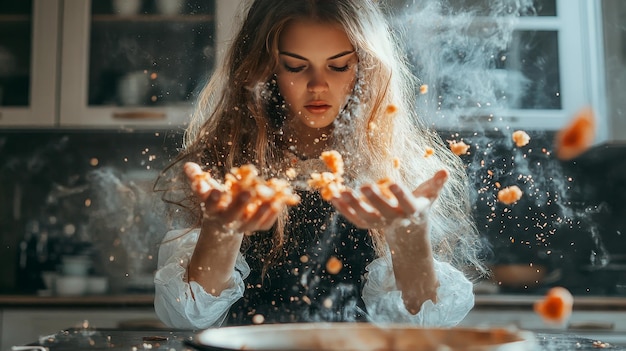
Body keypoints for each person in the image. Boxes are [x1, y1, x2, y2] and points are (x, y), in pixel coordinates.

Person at [154, 0, 486, 329]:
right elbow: (185, 316)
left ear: (367, 68)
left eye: (339, 66)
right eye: (296, 67)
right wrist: (220, 232)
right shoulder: (224, 167)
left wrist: (409, 240)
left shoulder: (398, 172)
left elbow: (423, 327)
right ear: (266, 69)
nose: (318, 85)